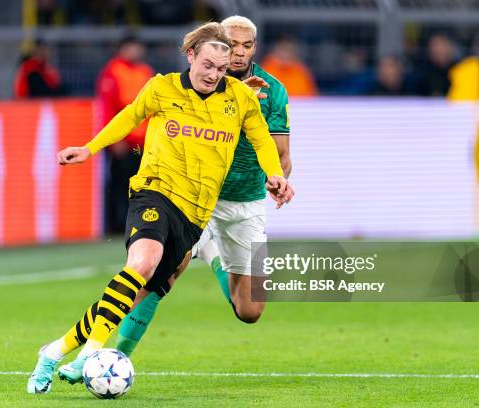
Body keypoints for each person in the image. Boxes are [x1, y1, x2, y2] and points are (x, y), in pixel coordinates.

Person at [26, 21, 294, 394]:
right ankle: (92, 354)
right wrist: (90, 148)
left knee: (132, 294)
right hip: (155, 193)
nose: (214, 75)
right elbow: (130, 116)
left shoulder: (240, 96)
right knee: (142, 263)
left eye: (221, 68)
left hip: (194, 214)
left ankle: (54, 351)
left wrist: (274, 175)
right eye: (207, 66)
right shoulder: (162, 87)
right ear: (191, 57)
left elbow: (263, 140)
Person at [110, 15, 293, 357]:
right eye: (231, 44)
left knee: (250, 311)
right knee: (161, 273)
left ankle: (213, 255)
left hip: (245, 201)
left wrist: (278, 179)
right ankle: (110, 355)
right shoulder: (193, 84)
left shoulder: (272, 91)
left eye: (247, 45)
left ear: (256, 47)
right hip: (194, 196)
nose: (238, 52)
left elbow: (282, 155)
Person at [97, 35, 154, 233]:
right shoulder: (113, 71)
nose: (136, 52)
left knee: (144, 183)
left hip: (143, 140)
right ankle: (117, 225)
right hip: (123, 140)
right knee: (119, 183)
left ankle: (141, 222)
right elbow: (107, 108)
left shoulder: (145, 71)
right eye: (132, 47)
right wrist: (114, 139)